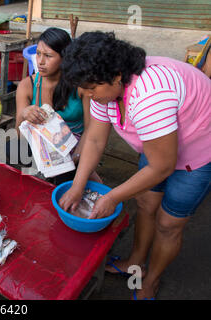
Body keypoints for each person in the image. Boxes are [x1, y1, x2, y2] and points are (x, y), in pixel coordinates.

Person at [58, 31, 211, 300]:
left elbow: (162, 166)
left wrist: (112, 196)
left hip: (199, 151)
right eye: (82, 88)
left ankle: (151, 280)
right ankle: (135, 262)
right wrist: (77, 186)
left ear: (117, 75)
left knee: (168, 223)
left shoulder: (149, 97)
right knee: (145, 202)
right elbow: (94, 140)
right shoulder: (105, 91)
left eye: (91, 87)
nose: (86, 94)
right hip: (159, 143)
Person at [14, 27, 100, 184]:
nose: (40, 61)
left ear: (64, 58)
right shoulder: (27, 85)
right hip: (43, 143)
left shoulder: (80, 85)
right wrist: (24, 113)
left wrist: (77, 156)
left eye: (48, 56)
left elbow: (91, 128)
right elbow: (19, 135)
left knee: (65, 177)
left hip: (74, 144)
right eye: (38, 54)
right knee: (13, 149)